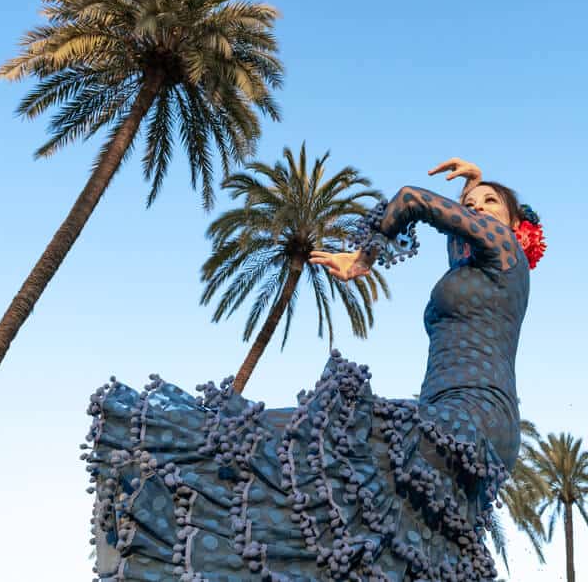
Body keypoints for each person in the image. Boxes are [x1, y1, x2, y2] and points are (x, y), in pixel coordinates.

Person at [84, 158, 545, 582]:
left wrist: (364, 256)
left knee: (328, 440)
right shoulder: (483, 269)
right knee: (377, 529)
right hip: (463, 418)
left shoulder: (505, 253)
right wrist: (474, 186)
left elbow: (411, 198)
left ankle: (164, 486)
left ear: (514, 226)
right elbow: (461, 226)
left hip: (473, 417)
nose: (475, 209)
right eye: (469, 205)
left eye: (489, 204)